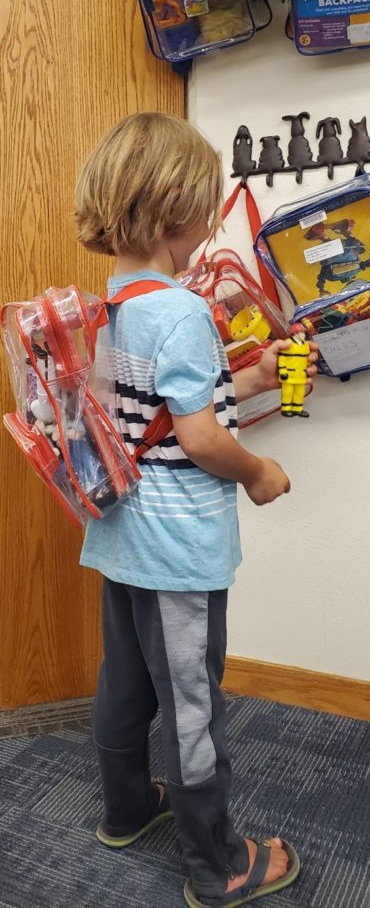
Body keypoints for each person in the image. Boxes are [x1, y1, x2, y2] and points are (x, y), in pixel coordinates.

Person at [74, 112, 317, 908]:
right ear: (180, 209)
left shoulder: (115, 301)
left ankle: (126, 809)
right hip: (177, 547)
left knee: (126, 683)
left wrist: (247, 381)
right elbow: (203, 441)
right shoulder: (179, 311)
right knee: (190, 706)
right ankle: (219, 867)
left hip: (121, 536)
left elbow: (167, 412)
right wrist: (258, 474)